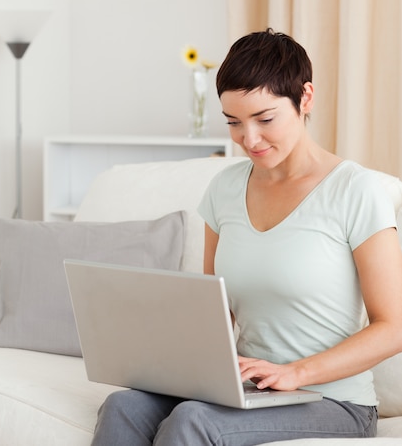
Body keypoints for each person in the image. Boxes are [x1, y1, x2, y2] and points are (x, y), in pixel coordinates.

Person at [91, 29, 402, 445]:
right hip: (250, 391)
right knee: (122, 407)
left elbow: (394, 327)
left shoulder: (356, 191)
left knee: (194, 422)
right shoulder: (225, 189)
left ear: (305, 98)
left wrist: (296, 372)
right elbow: (214, 313)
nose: (248, 139)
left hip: (333, 399)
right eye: (234, 122)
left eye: (265, 119)